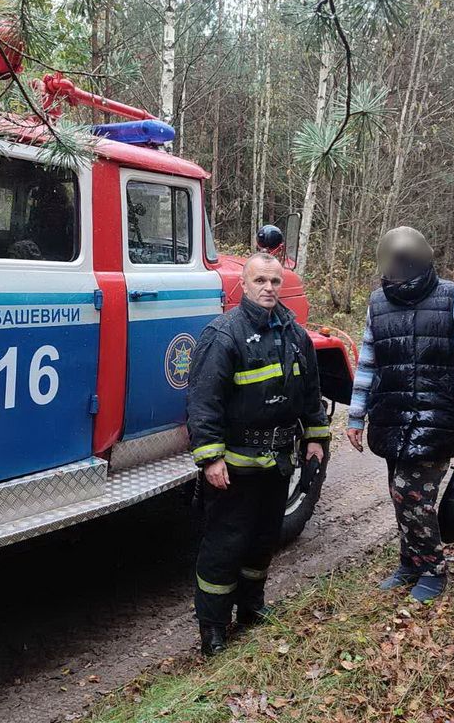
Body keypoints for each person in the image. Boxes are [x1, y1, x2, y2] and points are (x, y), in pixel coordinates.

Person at [187, 252, 330, 656]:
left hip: (278, 461)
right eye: (260, 281)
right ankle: (213, 629)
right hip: (235, 466)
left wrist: (316, 437)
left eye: (274, 281)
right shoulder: (224, 335)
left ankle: (250, 609)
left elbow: (310, 393)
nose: (268, 288)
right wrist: (211, 458)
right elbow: (203, 403)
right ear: (243, 286)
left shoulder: (296, 335)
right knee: (224, 545)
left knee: (263, 540)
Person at [345, 226, 454, 602]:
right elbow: (368, 364)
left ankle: (434, 569)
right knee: (399, 494)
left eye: (407, 260)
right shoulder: (378, 302)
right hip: (392, 418)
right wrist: (356, 416)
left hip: (437, 418)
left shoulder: (450, 297)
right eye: (395, 260)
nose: (400, 267)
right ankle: (410, 562)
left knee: (412, 496)